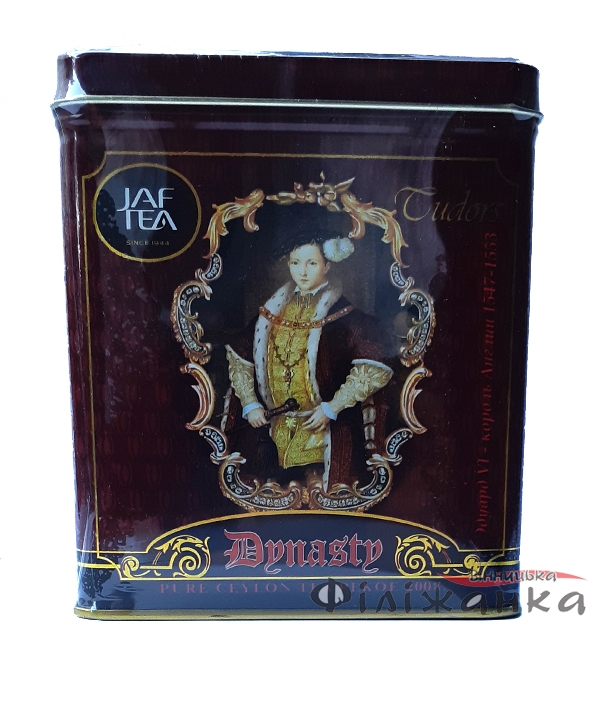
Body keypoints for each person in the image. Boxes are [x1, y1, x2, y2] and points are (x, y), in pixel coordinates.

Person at [224, 208, 393, 491]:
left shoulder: (347, 317)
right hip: (274, 433)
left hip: (324, 433)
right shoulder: (272, 313)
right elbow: (240, 358)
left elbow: (374, 368)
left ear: (327, 266)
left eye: (312, 263)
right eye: (295, 263)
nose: (302, 272)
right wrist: (251, 404)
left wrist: (332, 407)